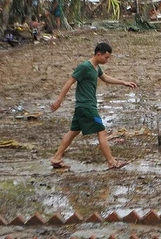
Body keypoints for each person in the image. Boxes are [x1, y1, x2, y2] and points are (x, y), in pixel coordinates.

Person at [50, 42, 137, 170]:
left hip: (83, 107)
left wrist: (123, 82)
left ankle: (56, 157)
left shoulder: (96, 67)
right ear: (98, 54)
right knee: (101, 130)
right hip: (87, 107)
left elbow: (105, 78)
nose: (107, 60)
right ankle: (112, 162)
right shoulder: (84, 67)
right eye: (106, 57)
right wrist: (59, 101)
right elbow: (70, 81)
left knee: (73, 132)